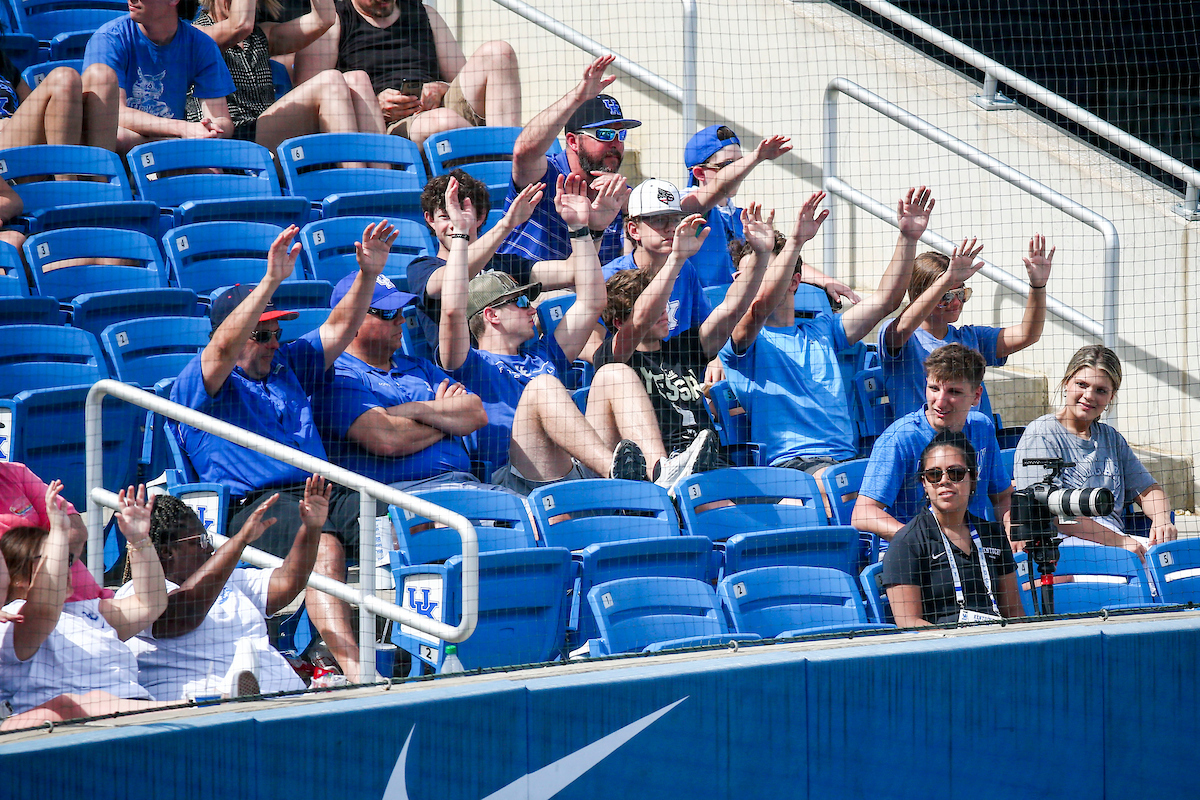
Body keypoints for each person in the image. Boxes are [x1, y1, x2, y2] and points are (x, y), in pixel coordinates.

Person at [171, 221, 396, 682]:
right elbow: (218, 349)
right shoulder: (203, 382)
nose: (276, 343)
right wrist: (271, 278)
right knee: (324, 546)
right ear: (236, 336)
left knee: (395, 524)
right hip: (257, 506)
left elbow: (339, 326)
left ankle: (358, 640)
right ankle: (354, 669)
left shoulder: (286, 363)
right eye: (263, 334)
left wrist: (368, 275)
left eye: (277, 333)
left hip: (320, 487)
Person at [438, 175, 666, 492]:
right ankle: (620, 479)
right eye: (520, 302)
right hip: (517, 480)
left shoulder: (542, 354)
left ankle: (660, 477)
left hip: (572, 467)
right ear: (490, 315)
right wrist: (461, 235)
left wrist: (580, 229)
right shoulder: (468, 364)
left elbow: (593, 301)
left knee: (614, 373)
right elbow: (451, 310)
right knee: (543, 387)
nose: (533, 308)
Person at [720, 187, 936, 473]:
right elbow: (760, 306)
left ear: (794, 281)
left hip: (847, 460)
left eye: (763, 271)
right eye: (748, 274)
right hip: (794, 466)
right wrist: (796, 242)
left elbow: (887, 301)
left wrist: (908, 238)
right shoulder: (739, 343)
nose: (754, 281)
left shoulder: (822, 330)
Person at [595, 199, 798, 481]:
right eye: (655, 307)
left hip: (711, 466)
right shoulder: (615, 357)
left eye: (665, 303)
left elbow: (733, 308)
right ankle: (663, 472)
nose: (663, 312)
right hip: (668, 477)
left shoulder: (685, 348)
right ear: (619, 323)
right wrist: (676, 259)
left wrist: (762, 256)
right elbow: (640, 320)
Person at [118, 478, 327, 701]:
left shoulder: (229, 579)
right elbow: (183, 615)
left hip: (282, 699)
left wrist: (311, 528)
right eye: (200, 540)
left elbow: (288, 581)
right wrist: (241, 540)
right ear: (169, 552)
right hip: (204, 708)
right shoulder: (137, 594)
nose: (209, 547)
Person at [0, 483, 167, 730]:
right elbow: (46, 606)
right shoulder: (12, 619)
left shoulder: (86, 611)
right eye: (52, 558)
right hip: (59, 733)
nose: (65, 568)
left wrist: (139, 540)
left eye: (66, 559)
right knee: (78, 702)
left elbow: (149, 604)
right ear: (16, 576)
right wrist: (57, 531)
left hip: (137, 718)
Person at [312, 272, 488, 488]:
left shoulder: (418, 366)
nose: (401, 320)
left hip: (467, 484)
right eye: (389, 313)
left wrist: (415, 410)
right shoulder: (336, 375)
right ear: (351, 320)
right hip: (403, 499)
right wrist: (447, 418)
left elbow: (476, 413)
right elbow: (387, 439)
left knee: (533, 517)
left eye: (401, 311)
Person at [1014, 345, 1178, 557]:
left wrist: (1162, 518)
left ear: (1111, 397)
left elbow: (1148, 490)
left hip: (1115, 546)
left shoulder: (1111, 439)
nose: (1089, 396)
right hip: (1062, 549)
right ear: (1066, 383)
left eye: (1101, 390)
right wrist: (1118, 541)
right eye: (1081, 384)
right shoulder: (1042, 434)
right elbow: (1049, 513)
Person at [292, 0, 520, 146]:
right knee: (444, 121)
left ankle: (510, 158)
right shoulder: (335, 21)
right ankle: (494, 151)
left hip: (438, 108)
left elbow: (460, 79)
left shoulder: (425, 14)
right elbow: (312, 100)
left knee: (500, 53)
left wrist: (441, 88)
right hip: (383, 127)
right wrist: (372, 106)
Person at [880, 234, 1055, 419]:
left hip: (973, 442)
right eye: (946, 295)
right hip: (925, 443)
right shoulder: (903, 338)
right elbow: (902, 328)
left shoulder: (970, 338)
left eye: (961, 293)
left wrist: (1037, 286)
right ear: (920, 296)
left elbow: (1028, 334)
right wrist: (946, 280)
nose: (956, 302)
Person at [853, 344, 1011, 544]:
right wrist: (923, 542)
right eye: (934, 388)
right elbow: (863, 513)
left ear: (976, 396)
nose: (940, 401)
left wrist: (1012, 527)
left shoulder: (982, 428)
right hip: (912, 552)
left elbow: (1003, 496)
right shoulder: (900, 439)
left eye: (953, 391)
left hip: (972, 545)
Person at [498, 55, 634, 278]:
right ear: (573, 141)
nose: (615, 143)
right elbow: (524, 151)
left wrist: (629, 212)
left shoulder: (617, 195)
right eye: (605, 134)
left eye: (621, 134)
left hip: (588, 302)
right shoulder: (546, 175)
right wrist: (577, 98)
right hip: (521, 296)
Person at [189, 0, 386, 149]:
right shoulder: (195, 34)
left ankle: (385, 179)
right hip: (233, 138)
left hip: (269, 133)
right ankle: (355, 184)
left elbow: (324, 19)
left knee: (357, 79)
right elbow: (240, 25)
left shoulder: (262, 35)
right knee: (331, 80)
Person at [881, 431, 1024, 626]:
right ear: (924, 483)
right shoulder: (907, 543)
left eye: (955, 473)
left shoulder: (993, 535)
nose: (944, 480)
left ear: (973, 478)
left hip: (996, 641)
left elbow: (1014, 612)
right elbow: (909, 623)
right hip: (942, 648)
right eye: (933, 474)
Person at [406, 169, 545, 347]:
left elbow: (570, 273)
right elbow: (449, 282)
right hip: (461, 369)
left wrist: (585, 228)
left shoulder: (505, 264)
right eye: (445, 216)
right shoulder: (421, 269)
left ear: (480, 217)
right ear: (430, 219)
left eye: (461, 215)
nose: (454, 224)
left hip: (513, 364)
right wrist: (506, 225)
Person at [82, 0, 237, 153]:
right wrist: (181, 129)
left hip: (171, 153)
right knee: (119, 136)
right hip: (118, 152)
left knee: (212, 171)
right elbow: (115, 116)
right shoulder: (109, 39)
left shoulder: (202, 45)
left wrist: (212, 130)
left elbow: (222, 119)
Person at [678, 123, 792, 288]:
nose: (740, 171)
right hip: (700, 309)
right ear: (700, 173)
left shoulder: (740, 216)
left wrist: (826, 280)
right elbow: (717, 187)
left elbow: (778, 257)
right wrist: (756, 157)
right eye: (728, 165)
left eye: (740, 162)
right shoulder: (686, 206)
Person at [0, 53, 119, 152]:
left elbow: (29, 104)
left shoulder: (3, 62)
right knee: (63, 79)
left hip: (19, 134)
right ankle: (66, 177)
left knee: (102, 77)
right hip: (5, 151)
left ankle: (100, 176)